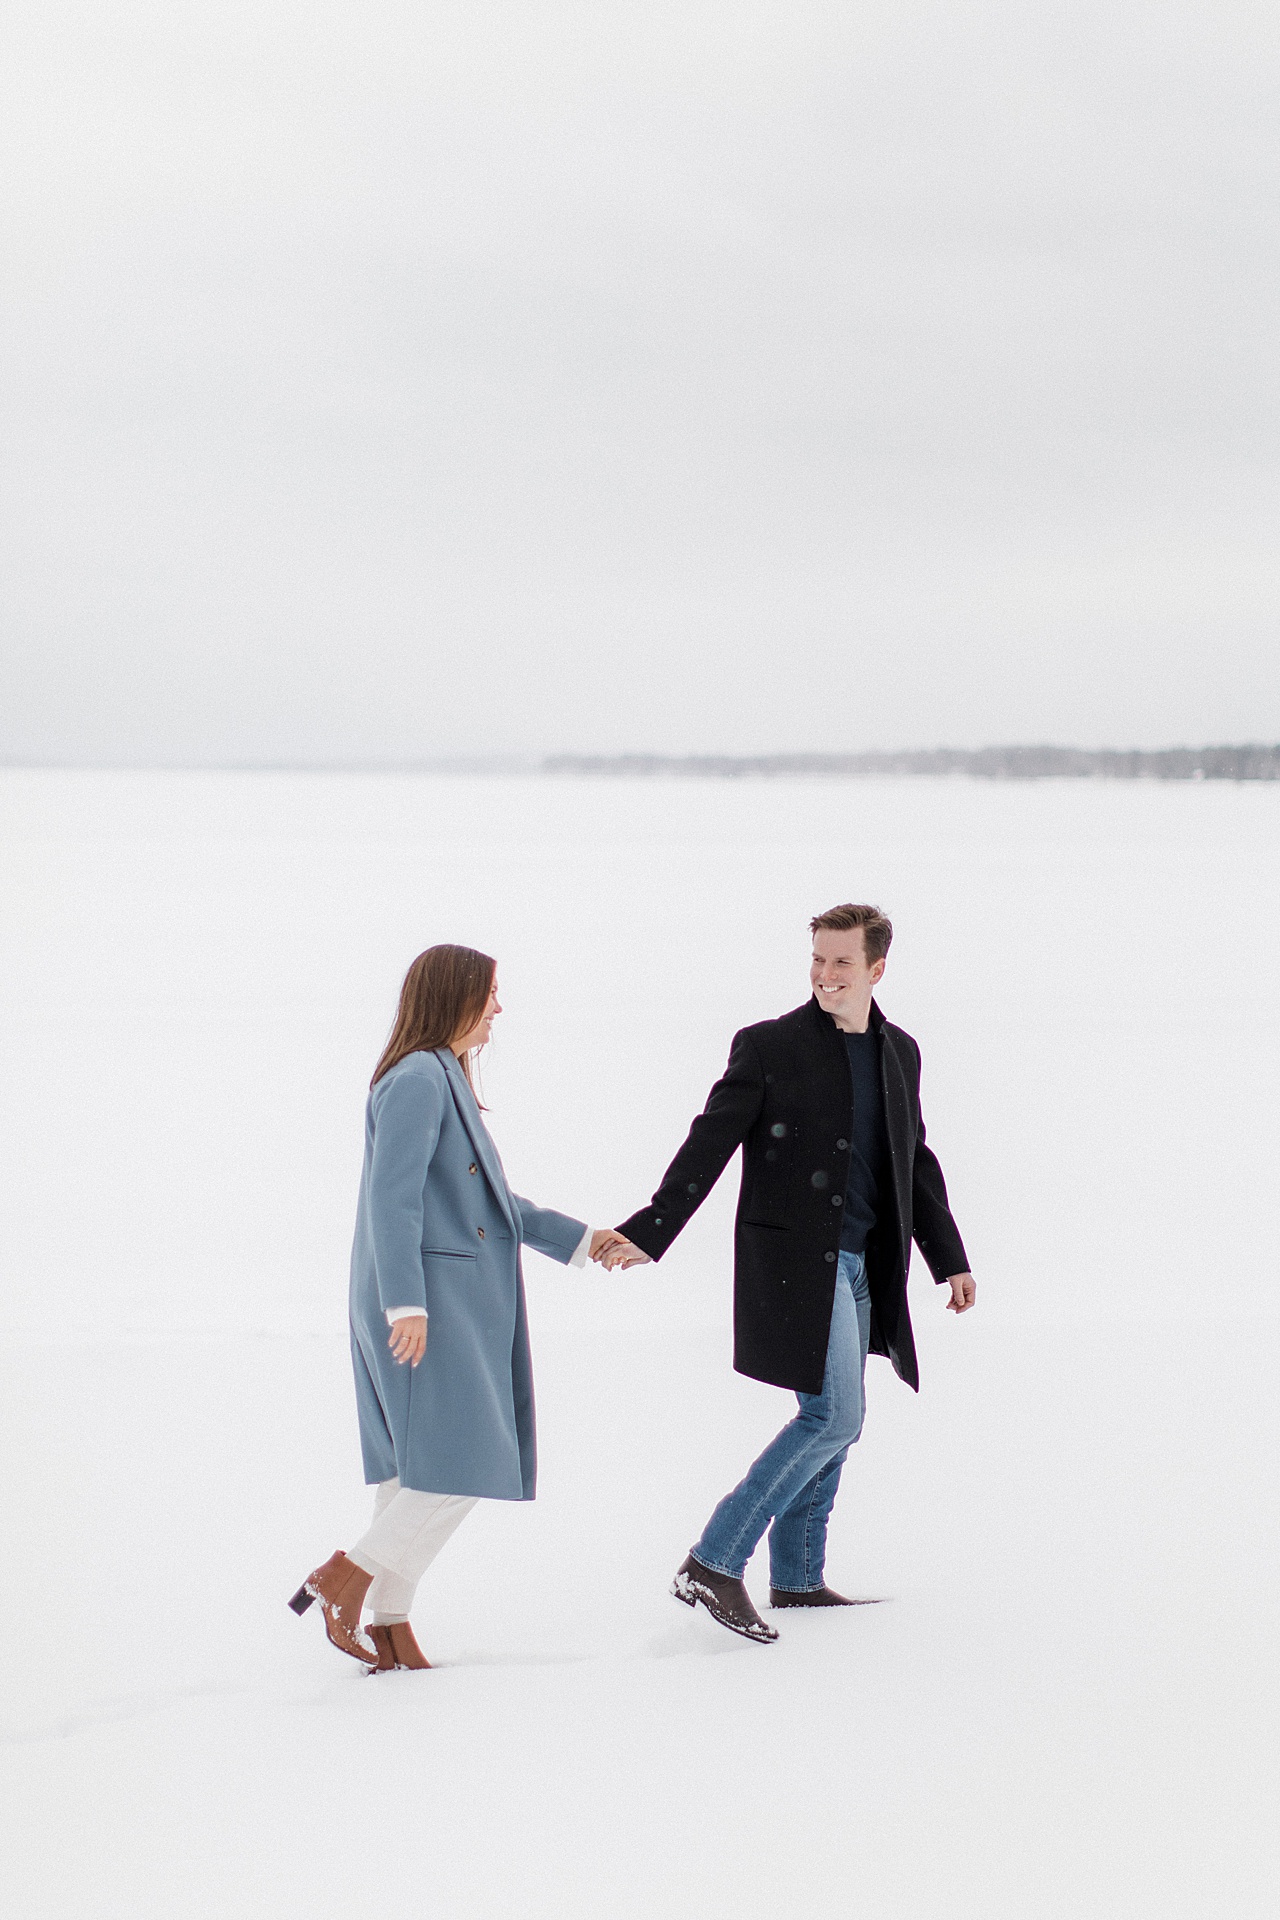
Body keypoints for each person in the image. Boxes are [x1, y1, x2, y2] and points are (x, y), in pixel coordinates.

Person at [599, 904, 975, 1643]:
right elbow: (708, 1144)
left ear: (877, 968)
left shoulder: (900, 1052)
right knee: (834, 1416)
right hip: (800, 1264)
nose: (826, 975)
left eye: (842, 962)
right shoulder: (770, 1046)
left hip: (869, 1263)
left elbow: (915, 1159)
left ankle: (799, 1576)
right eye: (817, 960)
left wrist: (949, 1256)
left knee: (836, 1419)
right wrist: (652, 1230)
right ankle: (713, 1559)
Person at [290, 944, 615, 1672]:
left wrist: (587, 1240)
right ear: (456, 996)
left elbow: (496, 1204)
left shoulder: (442, 1077)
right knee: (466, 1461)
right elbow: (392, 1197)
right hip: (424, 1306)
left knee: (417, 1471)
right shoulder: (415, 1079)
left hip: (444, 1303)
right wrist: (406, 1301)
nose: (500, 1008)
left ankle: (390, 1626)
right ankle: (346, 1578)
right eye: (491, 993)